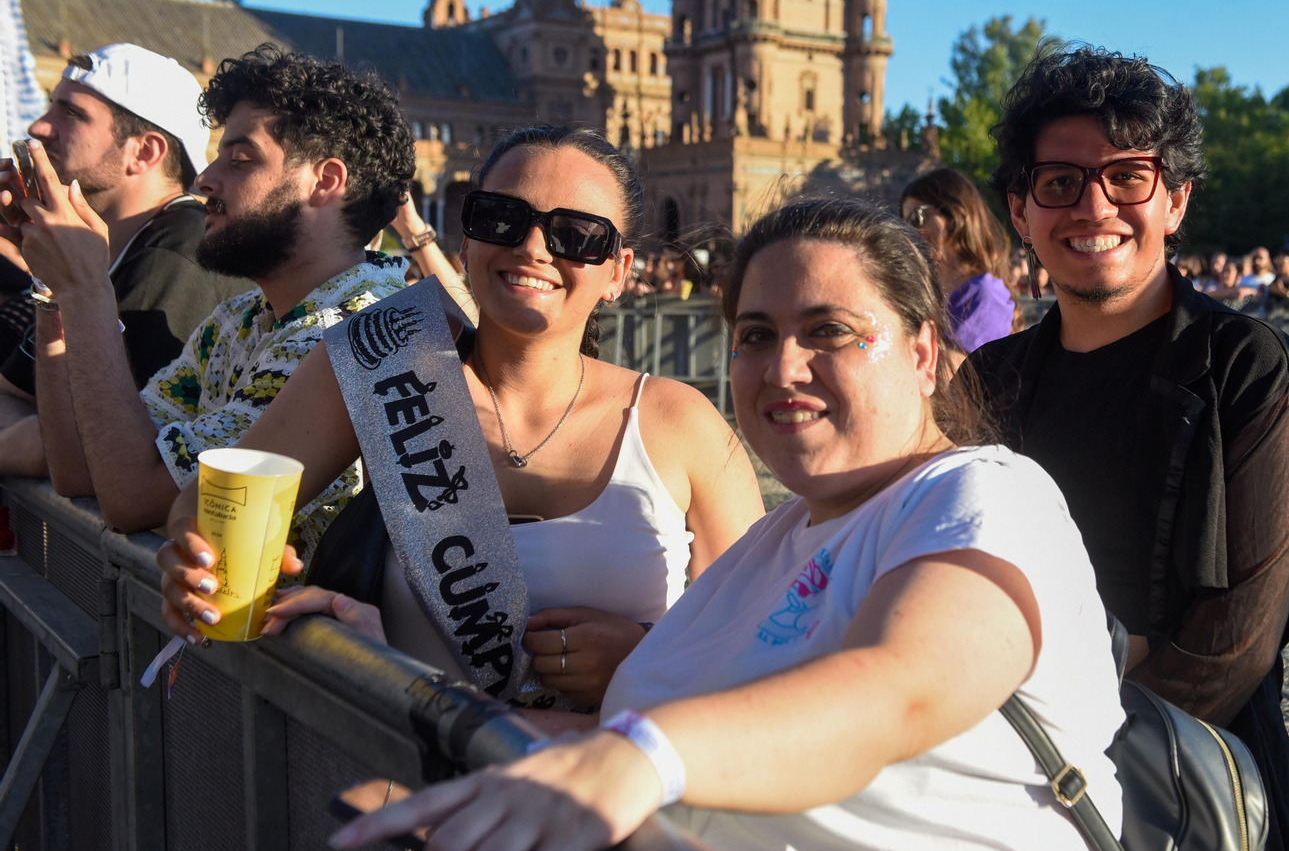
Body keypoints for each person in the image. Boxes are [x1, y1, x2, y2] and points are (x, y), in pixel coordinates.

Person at [330, 197, 1144, 851]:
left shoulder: (983, 494)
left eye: (829, 330)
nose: (784, 366)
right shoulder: (772, 543)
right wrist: (388, 682)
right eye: (756, 335)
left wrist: (636, 761)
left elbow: (900, 691)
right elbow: (621, 736)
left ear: (923, 352)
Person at [156, 126, 766, 709]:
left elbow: (763, 644)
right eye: (502, 218)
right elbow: (204, 509)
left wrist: (644, 658)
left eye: (577, 234)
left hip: (600, 803)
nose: (533, 248)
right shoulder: (376, 365)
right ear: (466, 238)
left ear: (618, 271)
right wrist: (192, 557)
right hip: (406, 789)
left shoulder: (681, 423)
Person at [965, 42, 1289, 851]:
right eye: (1059, 182)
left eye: (1127, 176)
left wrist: (1058, 709)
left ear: (1174, 200)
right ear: (1020, 210)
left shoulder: (1245, 371)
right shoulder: (989, 382)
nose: (1094, 206)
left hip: (1195, 797)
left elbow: (1233, 646)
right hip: (1010, 799)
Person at [9, 46, 413, 547]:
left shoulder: (358, 328)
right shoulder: (238, 320)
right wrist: (56, 287)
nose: (204, 179)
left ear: (325, 182)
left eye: (240, 160)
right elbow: (79, 472)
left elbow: (131, 497)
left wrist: (86, 288)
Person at [0, 43, 247, 464]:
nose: (40, 127)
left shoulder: (175, 252)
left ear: (144, 152)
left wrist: (36, 440)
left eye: (71, 114)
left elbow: (94, 453)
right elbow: (12, 396)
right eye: (50, 107)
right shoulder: (103, 248)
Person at [901, 167, 1016, 351]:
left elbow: (953, 375)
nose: (912, 232)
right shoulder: (925, 294)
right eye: (905, 224)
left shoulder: (986, 296)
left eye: (917, 217)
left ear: (954, 213)